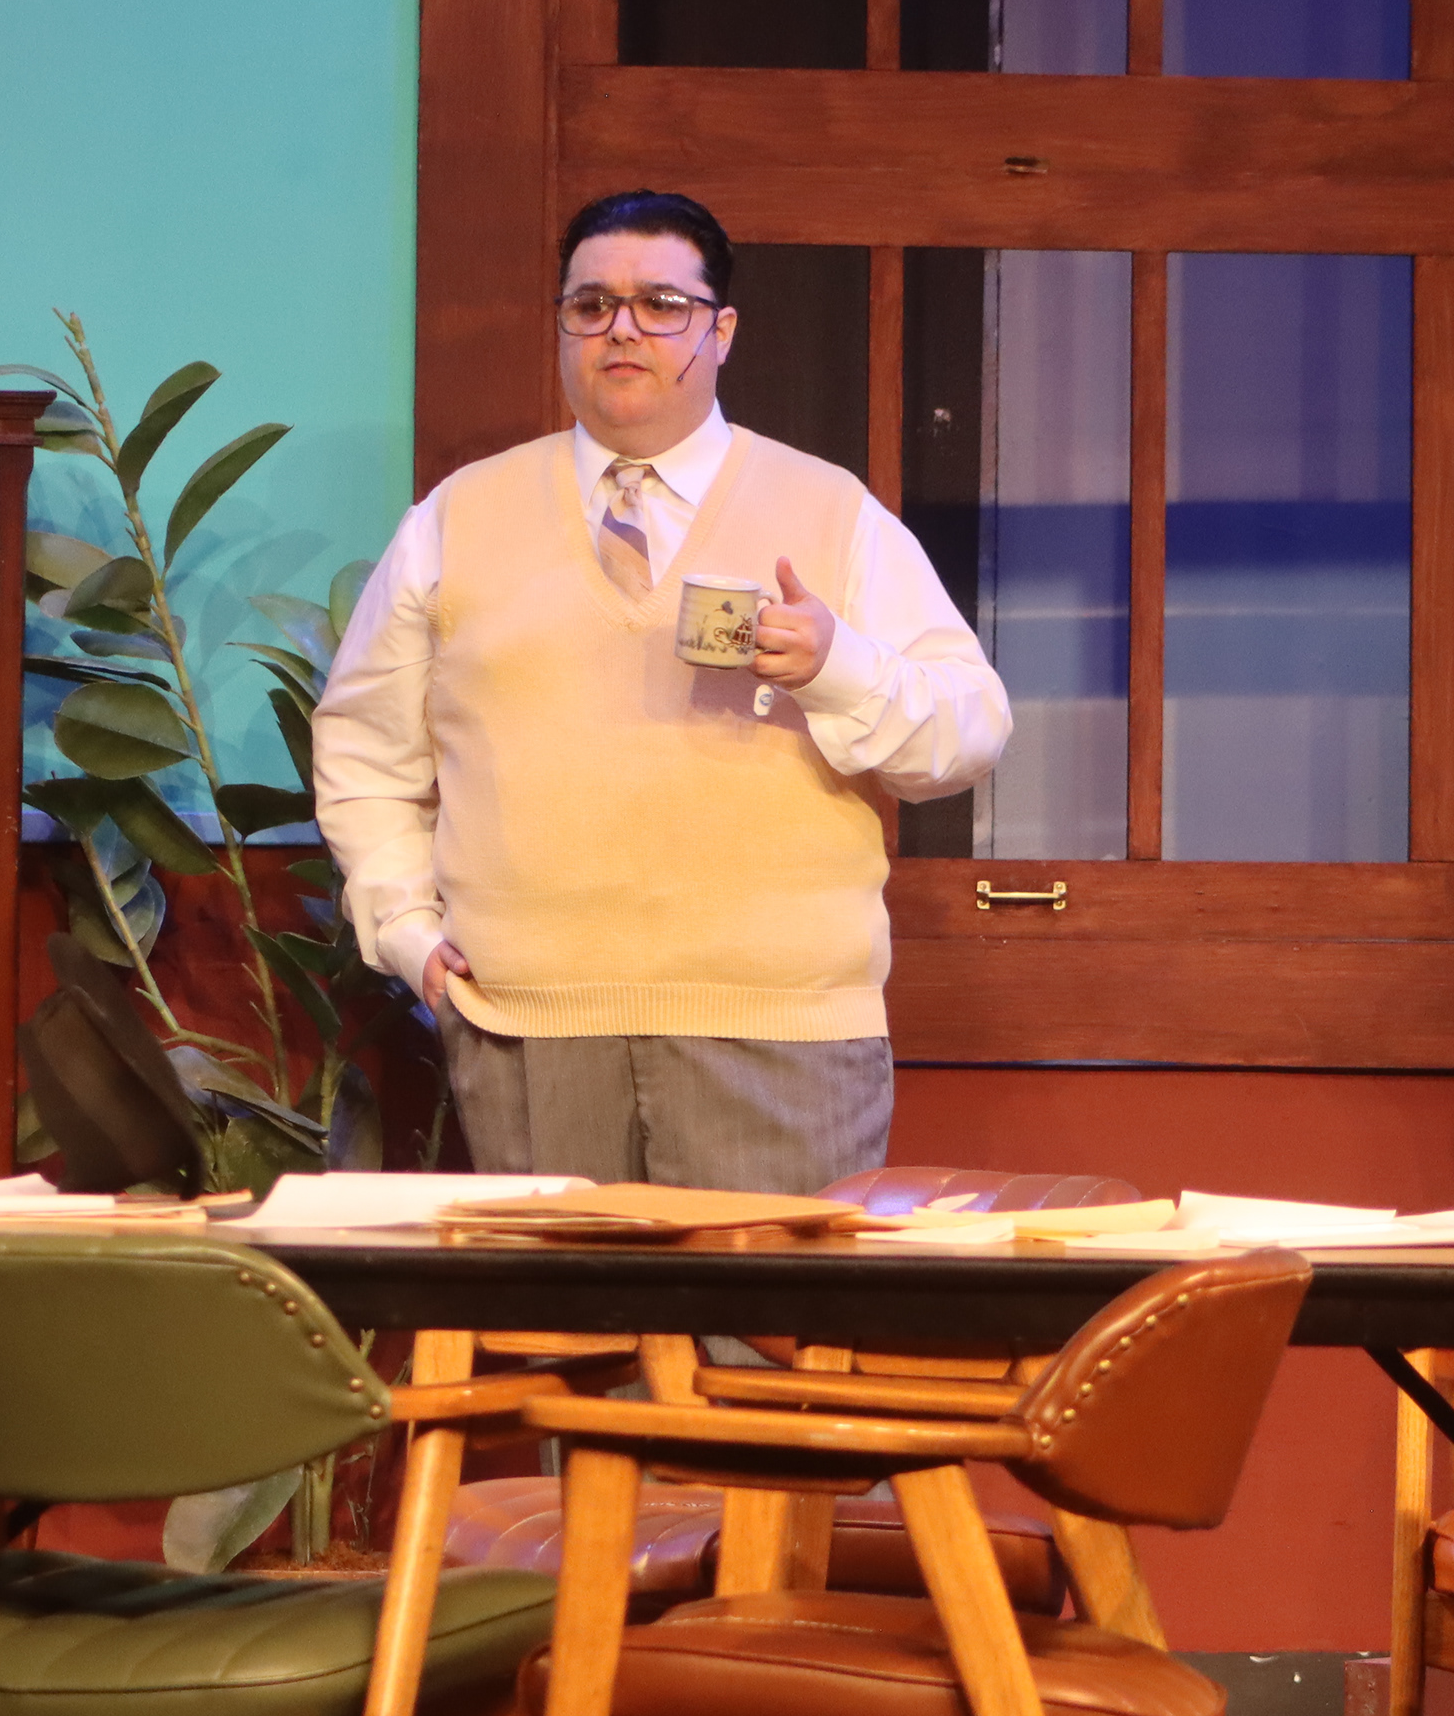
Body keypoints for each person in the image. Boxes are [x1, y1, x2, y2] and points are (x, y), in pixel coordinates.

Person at [313, 186, 1011, 1198]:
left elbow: (970, 730)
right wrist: (405, 930)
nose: (622, 328)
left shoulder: (831, 512)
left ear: (721, 332)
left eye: (662, 304)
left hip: (779, 1032)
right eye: (591, 305)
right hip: (528, 1028)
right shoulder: (456, 518)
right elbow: (364, 748)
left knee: (770, 1305)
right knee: (561, 1307)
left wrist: (836, 664)